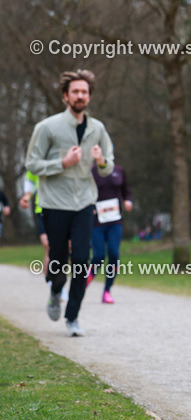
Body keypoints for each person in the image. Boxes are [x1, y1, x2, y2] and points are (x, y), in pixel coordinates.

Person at [25, 70, 114, 337]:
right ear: (66, 96)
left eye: (84, 92)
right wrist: (61, 163)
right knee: (58, 259)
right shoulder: (47, 128)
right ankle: (55, 290)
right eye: (75, 91)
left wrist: (100, 161)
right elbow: (31, 164)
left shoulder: (97, 129)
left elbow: (109, 166)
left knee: (81, 260)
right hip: (54, 203)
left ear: (89, 96)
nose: (80, 96)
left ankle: (72, 316)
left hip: (84, 203)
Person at [87, 162, 133, 303]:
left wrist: (128, 201)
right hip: (97, 222)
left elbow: (126, 190)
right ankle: (88, 277)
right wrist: (90, 207)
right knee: (99, 256)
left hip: (115, 221)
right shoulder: (91, 172)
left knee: (114, 254)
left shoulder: (118, 170)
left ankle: (107, 290)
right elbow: (84, 192)